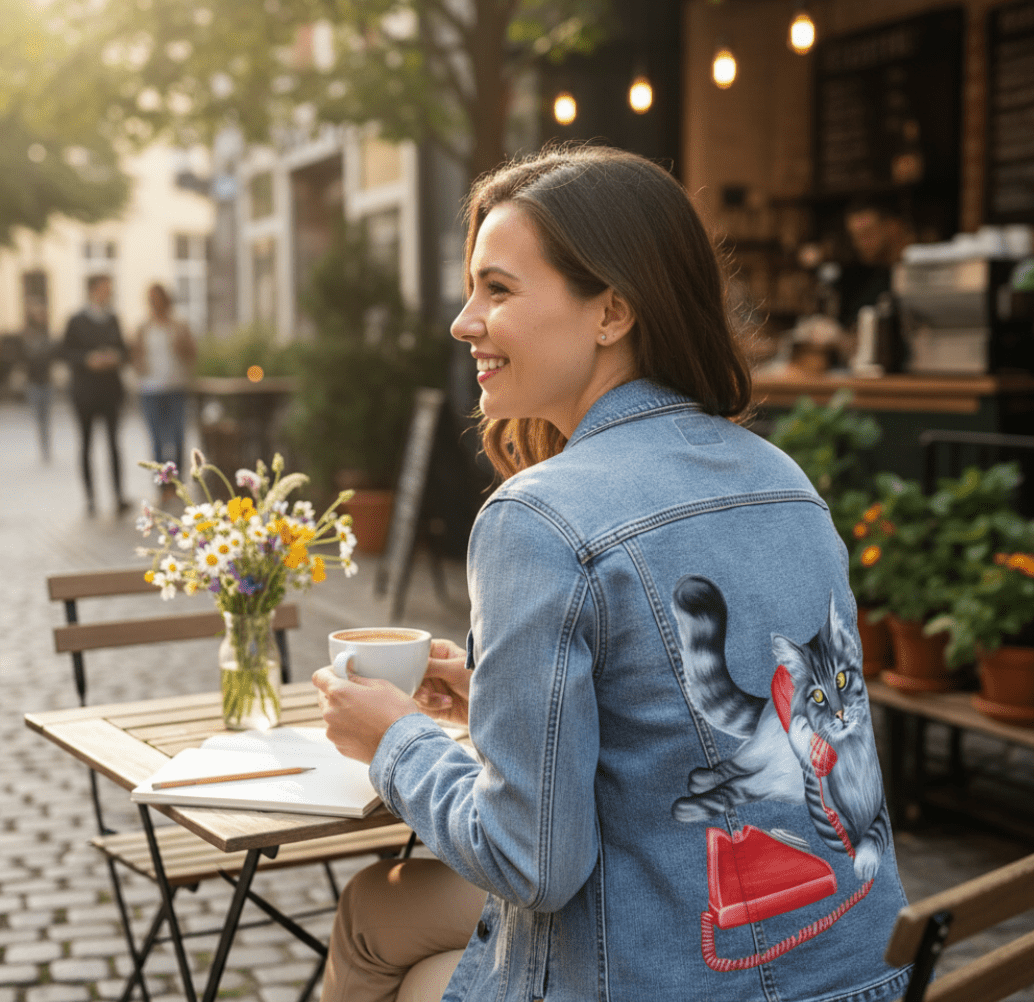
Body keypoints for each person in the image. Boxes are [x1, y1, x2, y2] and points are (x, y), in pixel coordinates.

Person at [312, 146, 913, 1002]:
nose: (463, 319)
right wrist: (496, 692)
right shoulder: (786, 479)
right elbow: (683, 731)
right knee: (380, 908)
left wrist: (392, 742)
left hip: (686, 966)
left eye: (498, 289)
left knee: (406, 945)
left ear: (612, 312)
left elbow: (532, 862)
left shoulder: (539, 519)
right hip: (856, 972)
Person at [62, 274, 130, 516]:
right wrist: (87, 360)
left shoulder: (112, 319)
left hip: (110, 390)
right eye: (103, 289)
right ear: (92, 290)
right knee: (86, 443)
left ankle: (119, 495)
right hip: (85, 392)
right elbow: (66, 352)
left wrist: (115, 357)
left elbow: (124, 349)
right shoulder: (76, 320)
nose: (107, 293)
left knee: (114, 443)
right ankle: (90, 498)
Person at [129, 282, 196, 491]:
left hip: (175, 387)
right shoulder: (143, 327)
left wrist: (181, 348)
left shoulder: (179, 325)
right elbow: (134, 355)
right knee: (157, 439)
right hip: (150, 389)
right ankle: (162, 486)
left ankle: (177, 483)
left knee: (177, 437)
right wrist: (139, 367)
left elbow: (193, 353)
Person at [21, 295, 54, 462]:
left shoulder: (46, 334)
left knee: (45, 416)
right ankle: (44, 446)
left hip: (46, 380)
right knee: (39, 416)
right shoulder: (27, 335)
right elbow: (25, 357)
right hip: (34, 382)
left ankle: (46, 446)